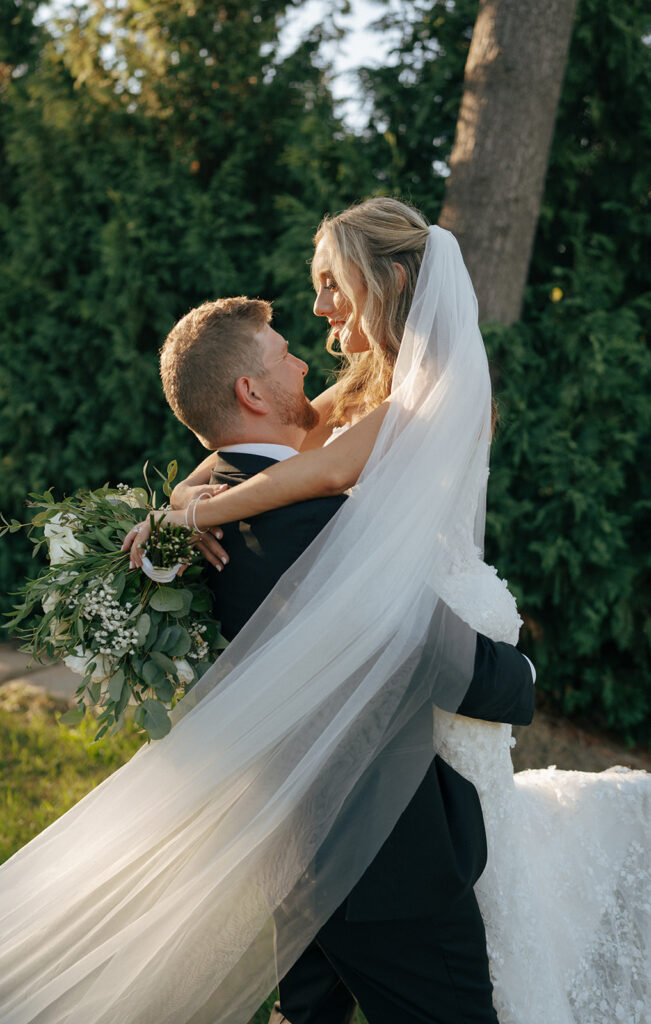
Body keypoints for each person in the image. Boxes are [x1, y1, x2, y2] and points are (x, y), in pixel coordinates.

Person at [126, 197, 650, 1024]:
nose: (319, 305)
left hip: (430, 651)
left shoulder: (434, 393)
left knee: (476, 899)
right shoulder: (358, 390)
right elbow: (247, 451)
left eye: (331, 283)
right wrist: (179, 503)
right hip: (398, 701)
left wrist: (187, 518)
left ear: (389, 278)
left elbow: (316, 476)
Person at [153, 293, 535, 1023]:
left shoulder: (215, 500)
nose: (306, 361)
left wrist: (179, 500)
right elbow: (418, 643)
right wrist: (518, 679)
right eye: (284, 354)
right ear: (251, 391)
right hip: (380, 856)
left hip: (295, 844)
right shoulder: (300, 517)